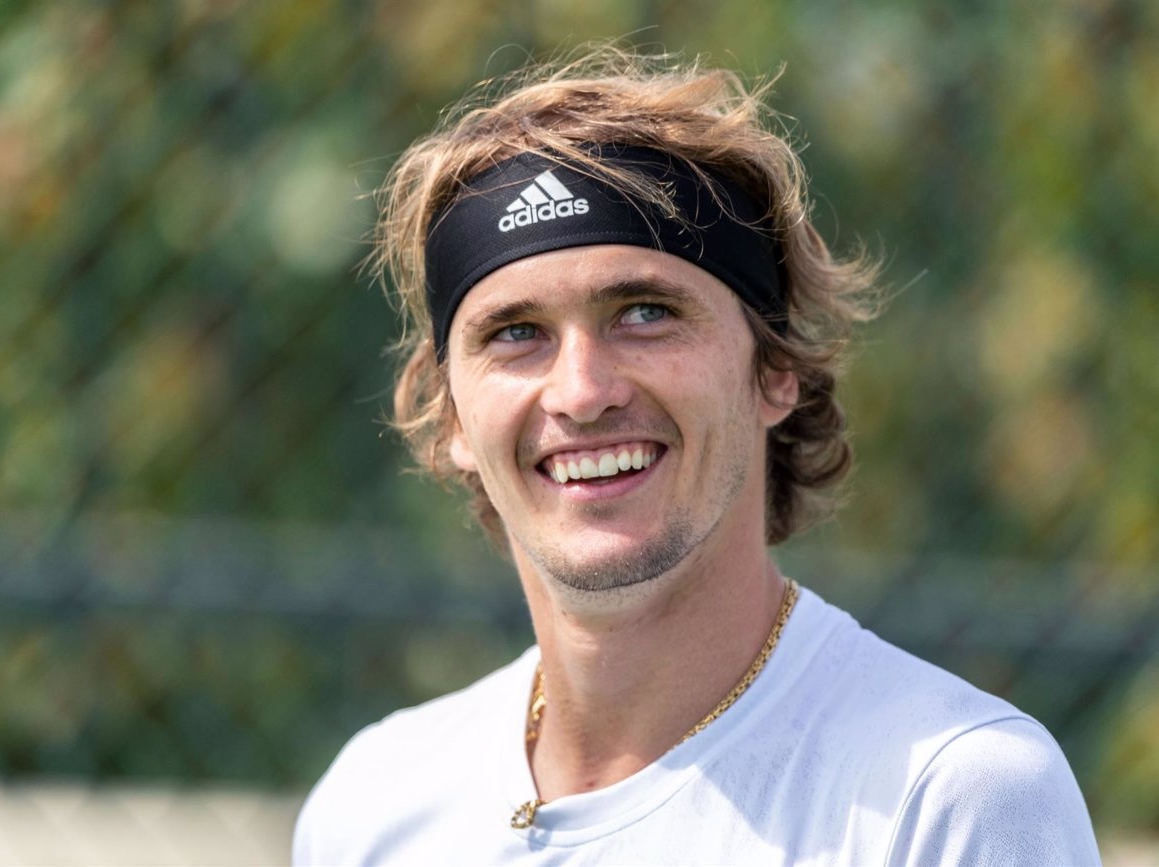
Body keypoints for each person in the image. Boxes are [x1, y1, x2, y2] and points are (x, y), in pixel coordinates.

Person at [293, 47, 1101, 865]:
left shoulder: (951, 795)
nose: (581, 391)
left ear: (775, 366)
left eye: (644, 312)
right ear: (454, 413)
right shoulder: (371, 804)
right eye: (515, 333)